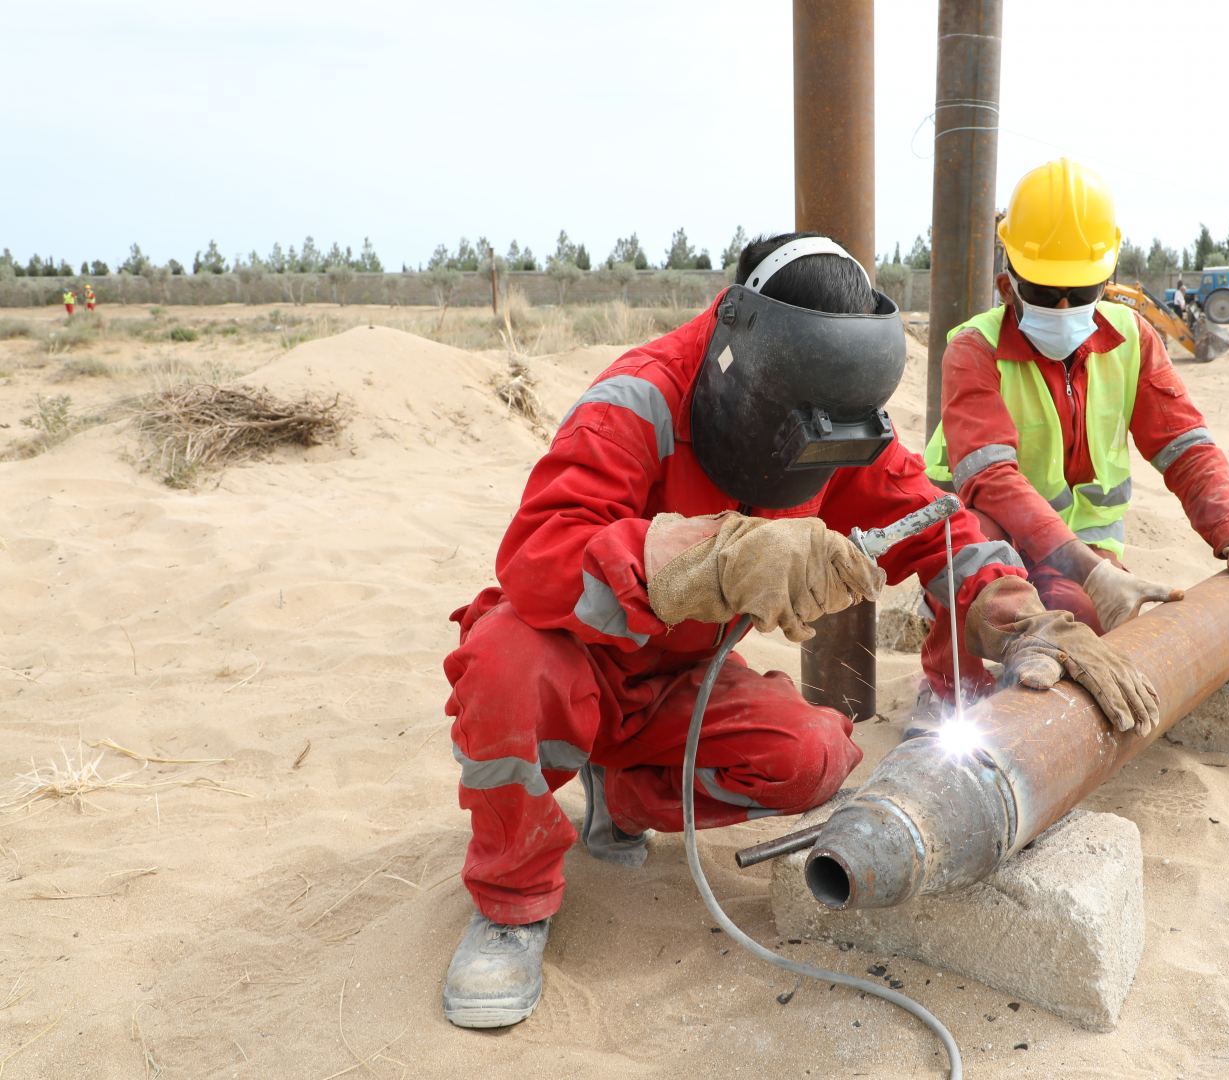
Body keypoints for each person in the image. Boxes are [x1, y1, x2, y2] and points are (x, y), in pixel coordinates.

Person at [437, 231, 1159, 1029]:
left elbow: (938, 527)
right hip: (577, 659)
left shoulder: (838, 414)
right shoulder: (640, 398)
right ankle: (509, 905)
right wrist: (701, 561)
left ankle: (628, 794)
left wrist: (1019, 615)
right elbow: (534, 557)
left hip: (679, 682)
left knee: (814, 759)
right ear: (740, 358)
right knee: (506, 661)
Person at [925, 158, 1229, 644]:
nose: (1062, 307)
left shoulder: (1132, 339)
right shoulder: (974, 350)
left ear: (1106, 282)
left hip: (1081, 545)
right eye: (1044, 290)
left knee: (1077, 620)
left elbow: (1187, 448)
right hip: (978, 530)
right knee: (980, 586)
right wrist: (1093, 572)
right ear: (1007, 282)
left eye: (1078, 292)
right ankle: (948, 693)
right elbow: (991, 480)